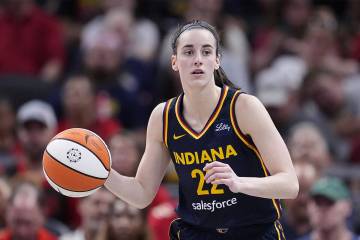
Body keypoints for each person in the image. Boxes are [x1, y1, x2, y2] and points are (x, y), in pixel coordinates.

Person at [105, 20, 299, 239]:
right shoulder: (163, 116)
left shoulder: (244, 107)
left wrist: (239, 183)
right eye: (188, 52)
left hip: (253, 231)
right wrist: (103, 174)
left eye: (206, 52)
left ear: (216, 60)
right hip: (197, 233)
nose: (198, 59)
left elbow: (289, 184)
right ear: (174, 62)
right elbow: (141, 194)